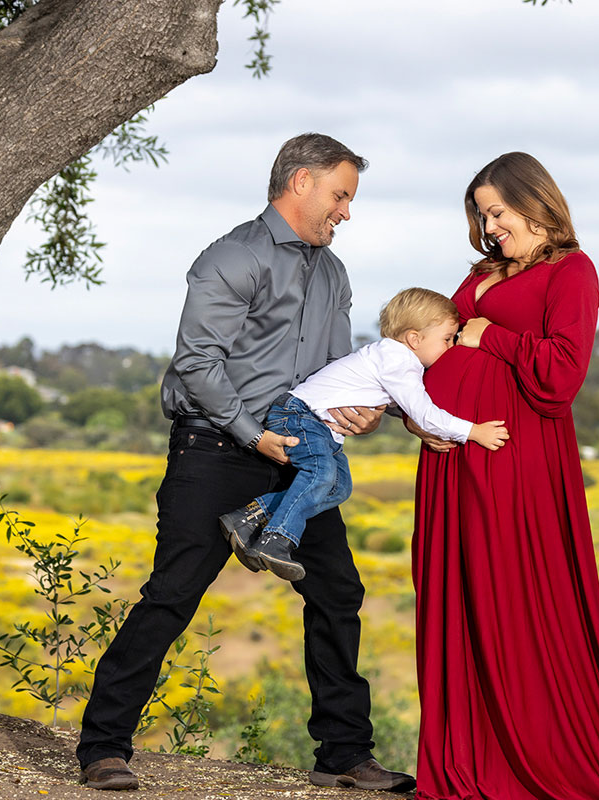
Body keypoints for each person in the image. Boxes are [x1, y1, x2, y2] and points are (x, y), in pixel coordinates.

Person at [76, 133, 416, 794]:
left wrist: (363, 408)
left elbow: (334, 372)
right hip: (217, 449)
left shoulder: (333, 273)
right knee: (173, 595)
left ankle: (343, 754)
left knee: (337, 591)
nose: (346, 211)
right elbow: (198, 364)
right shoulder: (232, 258)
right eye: (341, 195)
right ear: (301, 183)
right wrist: (251, 434)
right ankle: (103, 747)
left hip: (297, 453)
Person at [410, 152, 599, 799]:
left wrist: (491, 337)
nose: (491, 226)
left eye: (498, 212)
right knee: (455, 594)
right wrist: (418, 415)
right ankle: (463, 760)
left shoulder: (574, 272)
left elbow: (563, 375)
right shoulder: (481, 272)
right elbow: (438, 343)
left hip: (517, 460)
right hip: (453, 458)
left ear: (535, 202)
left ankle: (526, 760)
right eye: (482, 215)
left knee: (512, 598)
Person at [220, 287, 509, 582]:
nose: (450, 347)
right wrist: (472, 431)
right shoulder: (399, 362)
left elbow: (400, 406)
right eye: (447, 339)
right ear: (414, 338)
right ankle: (276, 540)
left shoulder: (392, 358)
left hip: (318, 427)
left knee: (338, 487)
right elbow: (423, 413)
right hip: (300, 415)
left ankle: (248, 518)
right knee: (320, 476)